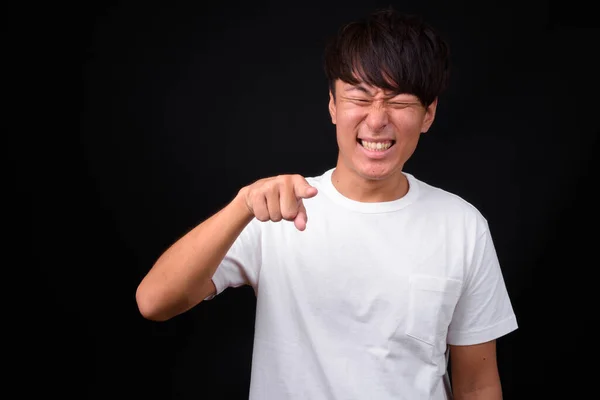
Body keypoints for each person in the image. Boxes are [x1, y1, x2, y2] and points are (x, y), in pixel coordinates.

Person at [136, 8, 518, 400]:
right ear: (334, 106)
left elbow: (477, 385)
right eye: (359, 96)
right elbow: (154, 302)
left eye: (400, 102)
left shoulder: (461, 224)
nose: (376, 120)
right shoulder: (277, 210)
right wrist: (241, 205)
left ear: (428, 114)